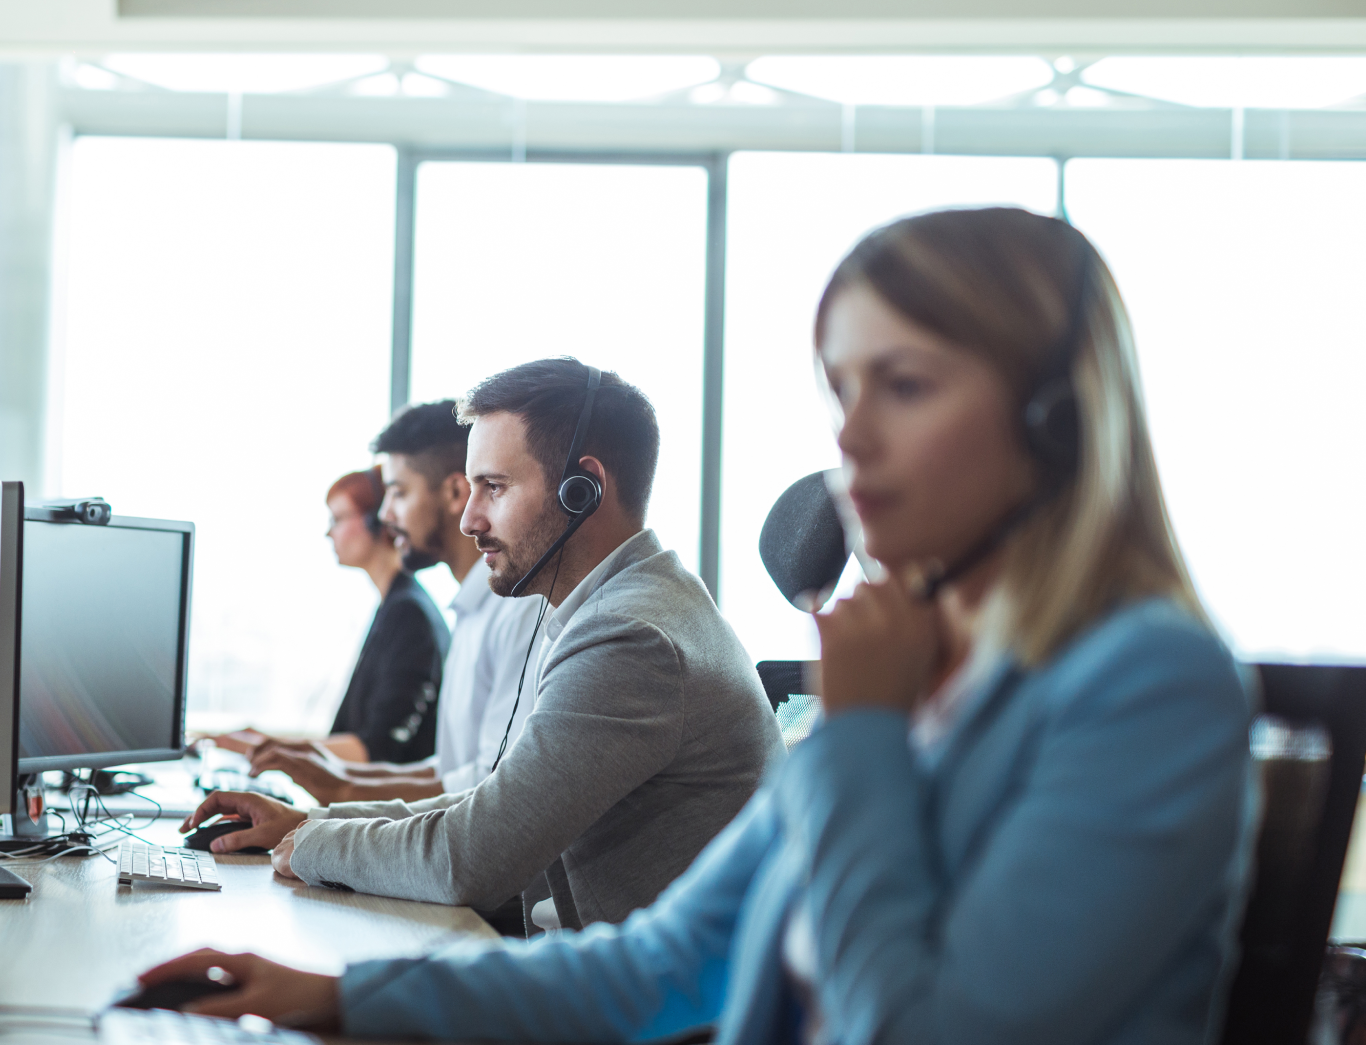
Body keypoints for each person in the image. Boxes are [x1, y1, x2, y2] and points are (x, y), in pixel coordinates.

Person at [140, 208, 1255, 1045]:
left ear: (1055, 424)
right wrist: (336, 997)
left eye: (903, 386)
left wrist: (860, 738)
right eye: (839, 391)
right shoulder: (918, 682)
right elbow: (664, 964)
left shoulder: (1146, 686)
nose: (849, 440)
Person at [183, 361, 782, 932]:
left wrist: (311, 843)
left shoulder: (630, 638)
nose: (469, 520)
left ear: (585, 490)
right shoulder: (635, 604)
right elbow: (493, 806)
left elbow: (470, 858)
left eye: (493, 487)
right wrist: (312, 820)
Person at [245, 401, 548, 805]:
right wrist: (331, 774)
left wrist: (331, 804)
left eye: (399, 493)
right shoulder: (469, 610)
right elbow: (449, 771)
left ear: (455, 492)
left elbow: (488, 790)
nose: (386, 515)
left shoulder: (517, 611)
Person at [212, 468, 448, 765]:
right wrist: (264, 741)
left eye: (337, 519)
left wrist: (267, 747)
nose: (328, 532)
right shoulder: (392, 607)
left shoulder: (409, 615)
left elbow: (376, 749)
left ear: (378, 522)